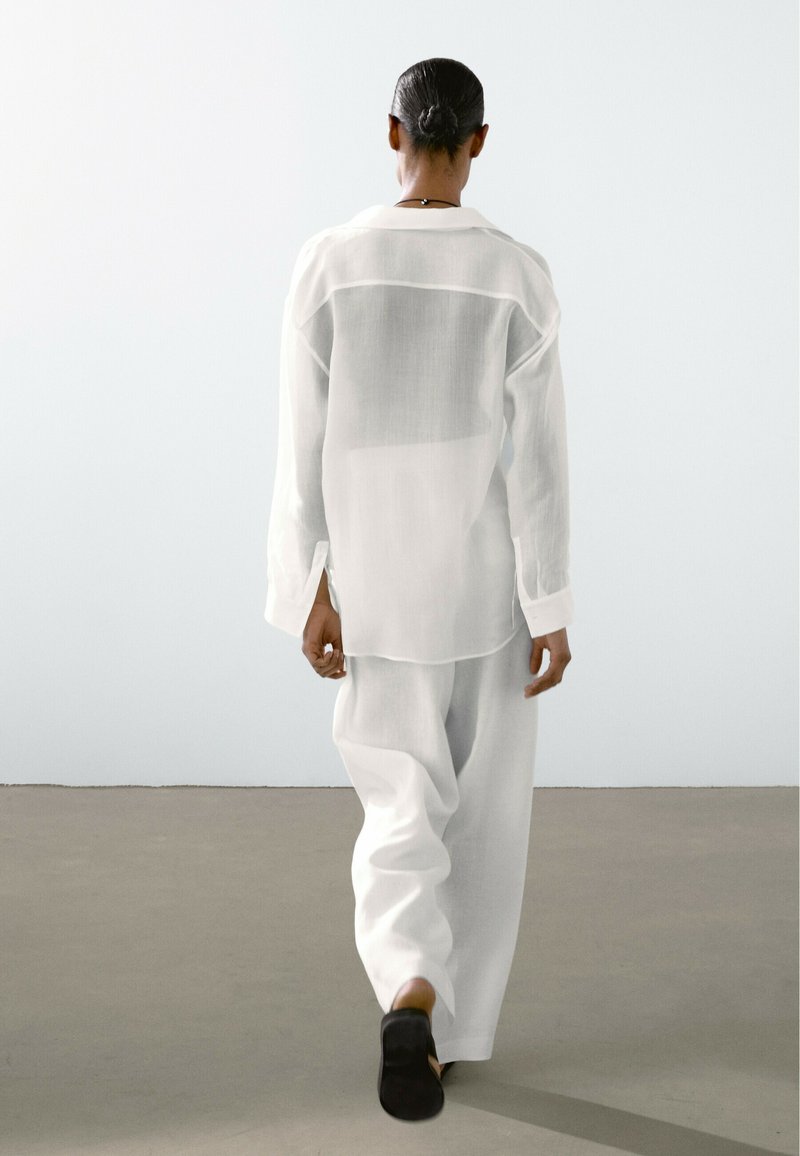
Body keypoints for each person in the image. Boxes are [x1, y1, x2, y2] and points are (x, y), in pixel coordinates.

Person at [264, 56, 574, 1122]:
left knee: (397, 805)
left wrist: (308, 583)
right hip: (482, 590)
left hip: (375, 582)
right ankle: (451, 1031)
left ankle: (408, 988)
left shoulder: (330, 263)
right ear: (478, 143)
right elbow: (538, 463)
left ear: (391, 131)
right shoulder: (516, 274)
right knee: (482, 817)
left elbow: (299, 446)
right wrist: (550, 604)